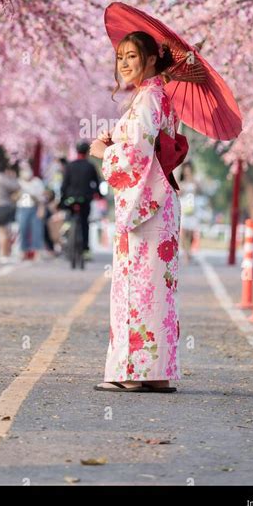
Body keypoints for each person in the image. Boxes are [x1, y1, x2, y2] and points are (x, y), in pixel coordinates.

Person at [90, 31, 185, 393]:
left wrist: (104, 152)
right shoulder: (160, 97)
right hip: (160, 202)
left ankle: (131, 371)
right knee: (158, 288)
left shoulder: (148, 99)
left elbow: (137, 155)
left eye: (132, 56)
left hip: (146, 207)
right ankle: (157, 372)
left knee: (137, 286)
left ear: (150, 59)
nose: (125, 63)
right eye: (120, 57)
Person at [58, 140, 101, 261]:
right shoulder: (90, 166)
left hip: (70, 199)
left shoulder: (69, 166)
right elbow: (96, 183)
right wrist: (98, 194)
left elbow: (64, 185)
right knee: (84, 223)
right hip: (85, 199)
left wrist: (62, 199)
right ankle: (85, 249)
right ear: (87, 152)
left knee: (69, 217)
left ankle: (67, 235)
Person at [16, 161, 46, 261]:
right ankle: (23, 252)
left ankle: (37, 252)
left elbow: (42, 197)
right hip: (22, 208)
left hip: (35, 208)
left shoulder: (37, 182)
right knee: (23, 229)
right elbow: (14, 196)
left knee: (37, 230)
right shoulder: (18, 182)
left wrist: (41, 208)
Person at [0, 162, 20, 261]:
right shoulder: (1, 178)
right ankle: (4, 255)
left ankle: (4, 254)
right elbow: (16, 186)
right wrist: (13, 178)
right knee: (4, 232)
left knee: (3, 231)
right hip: (3, 207)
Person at [178, 161, 199, 263]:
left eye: (189, 169)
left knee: (191, 233)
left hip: (193, 209)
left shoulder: (194, 181)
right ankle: (186, 253)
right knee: (184, 232)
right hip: (184, 208)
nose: (187, 171)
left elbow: (199, 190)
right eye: (186, 169)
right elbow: (178, 192)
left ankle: (189, 250)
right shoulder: (181, 182)